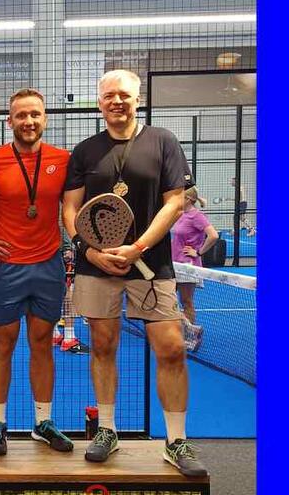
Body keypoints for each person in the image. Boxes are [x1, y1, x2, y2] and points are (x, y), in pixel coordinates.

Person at [62, 69, 207, 476]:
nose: (117, 101)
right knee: (103, 346)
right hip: (96, 267)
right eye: (109, 95)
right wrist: (90, 251)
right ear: (99, 103)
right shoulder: (85, 151)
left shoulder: (163, 142)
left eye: (124, 95)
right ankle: (107, 430)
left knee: (172, 348)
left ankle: (175, 441)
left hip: (151, 266)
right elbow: (70, 209)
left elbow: (174, 202)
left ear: (137, 99)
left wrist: (138, 247)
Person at [0, 88, 74, 455]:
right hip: (6, 267)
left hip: (49, 265)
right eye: (21, 115)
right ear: (9, 121)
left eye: (35, 114)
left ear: (44, 118)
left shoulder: (63, 160)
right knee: (2, 343)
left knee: (42, 342)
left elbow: (74, 206)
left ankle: (43, 423)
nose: (29, 121)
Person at [171, 186, 219, 352]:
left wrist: (198, 252)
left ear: (189, 199)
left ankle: (189, 337)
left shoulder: (197, 216)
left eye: (180, 196)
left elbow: (213, 235)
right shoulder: (180, 214)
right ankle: (191, 330)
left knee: (186, 301)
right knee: (168, 300)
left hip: (188, 266)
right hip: (174, 264)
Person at [53, 230, 90, 355]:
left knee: (54, 291)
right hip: (62, 250)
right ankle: (69, 339)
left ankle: (54, 334)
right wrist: (68, 248)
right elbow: (62, 223)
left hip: (49, 250)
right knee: (69, 291)